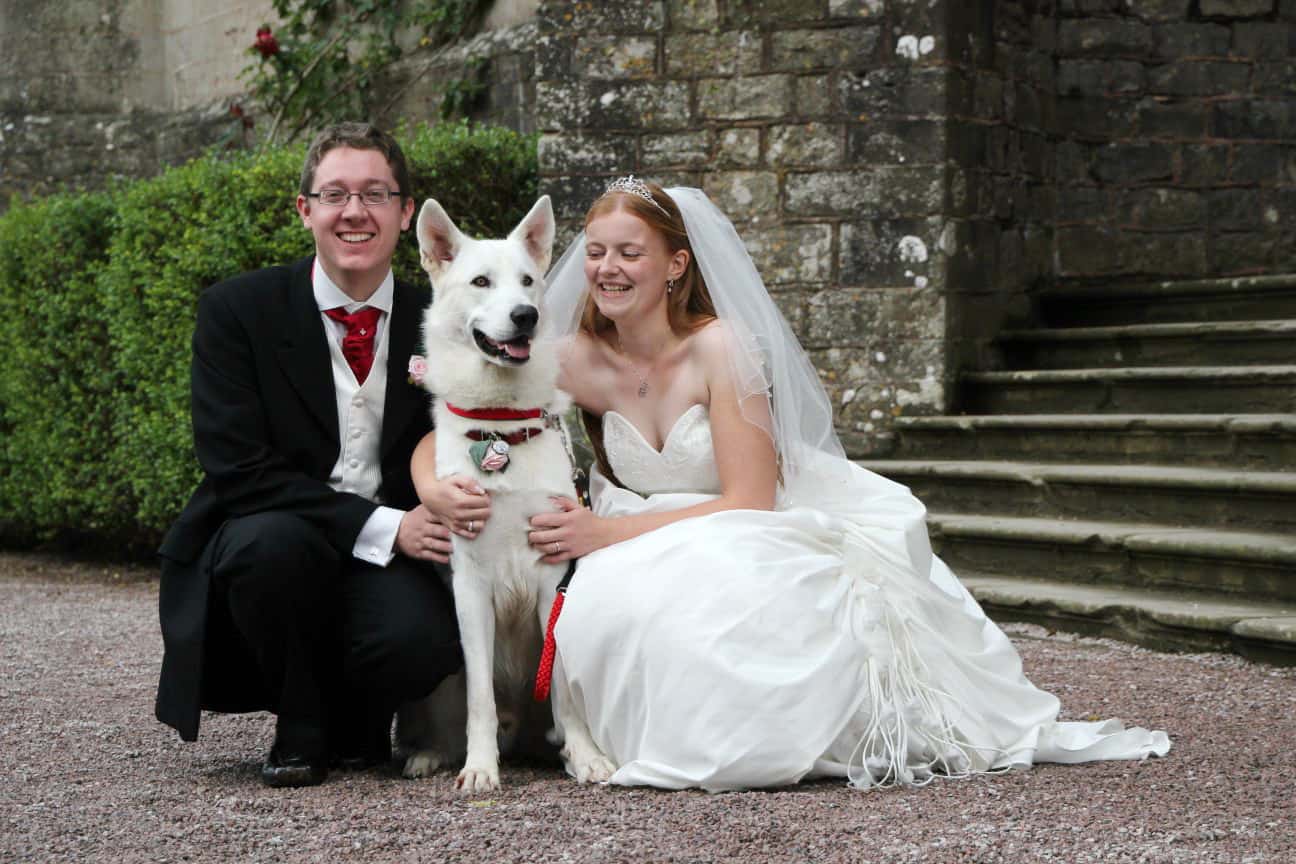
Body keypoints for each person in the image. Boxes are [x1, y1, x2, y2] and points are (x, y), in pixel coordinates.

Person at [514, 177, 1169, 791]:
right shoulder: (574, 358)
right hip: (638, 528)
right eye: (596, 252)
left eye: (630, 253)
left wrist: (608, 530)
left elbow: (750, 500)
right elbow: (469, 400)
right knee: (606, 607)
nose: (606, 269)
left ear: (677, 265)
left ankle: (748, 735)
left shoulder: (720, 346)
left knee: (703, 604)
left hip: (743, 517)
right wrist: (441, 479)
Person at [155, 122, 463, 788]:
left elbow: (469, 430)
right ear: (306, 211)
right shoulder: (237, 310)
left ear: (406, 212)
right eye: (335, 194)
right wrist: (389, 528)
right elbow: (238, 468)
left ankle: (360, 720)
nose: (355, 212)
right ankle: (301, 721)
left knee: (425, 643)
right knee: (270, 551)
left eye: (376, 194)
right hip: (275, 530)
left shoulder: (438, 319)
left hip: (389, 551)